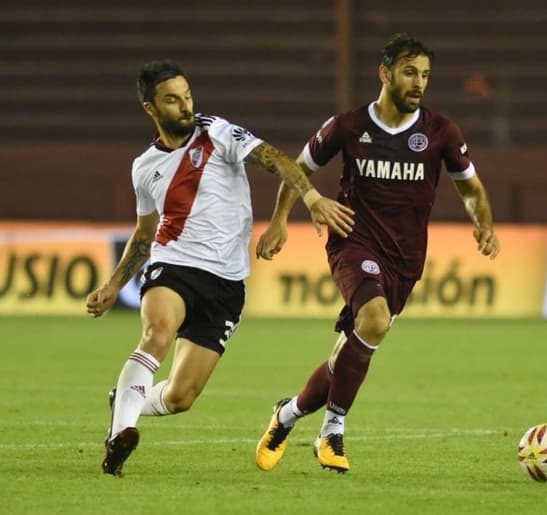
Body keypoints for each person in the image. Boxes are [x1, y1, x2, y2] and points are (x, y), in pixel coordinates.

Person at [86, 60, 355, 477]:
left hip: (228, 282)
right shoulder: (144, 167)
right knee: (157, 334)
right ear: (150, 108)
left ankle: (125, 396)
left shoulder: (216, 131)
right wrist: (112, 284)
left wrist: (310, 200)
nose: (185, 105)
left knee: (180, 397)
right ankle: (121, 432)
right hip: (174, 265)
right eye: (172, 99)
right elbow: (144, 235)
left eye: (187, 95)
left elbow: (276, 160)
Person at [255, 33, 500, 473]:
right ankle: (332, 431)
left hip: (406, 259)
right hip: (353, 242)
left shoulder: (441, 132)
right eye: (410, 72)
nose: (419, 83)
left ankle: (286, 414)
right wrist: (279, 222)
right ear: (385, 74)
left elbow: (471, 188)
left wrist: (483, 222)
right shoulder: (347, 127)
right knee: (375, 320)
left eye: (425, 75)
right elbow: (299, 168)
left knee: (346, 355)